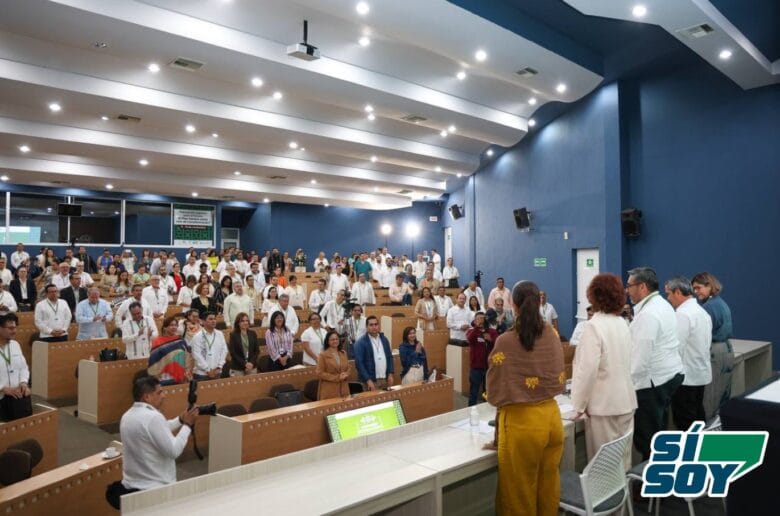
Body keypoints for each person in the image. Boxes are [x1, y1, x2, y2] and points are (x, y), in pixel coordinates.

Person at [486, 281, 565, 516]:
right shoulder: (552, 334)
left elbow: (495, 389)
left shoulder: (506, 341)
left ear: (514, 305)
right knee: (548, 487)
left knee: (518, 495)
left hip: (522, 424)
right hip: (552, 419)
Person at [570, 273, 637, 470]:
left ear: (594, 297)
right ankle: (625, 492)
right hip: (626, 401)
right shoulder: (623, 323)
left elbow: (586, 371)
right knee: (623, 462)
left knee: (603, 468)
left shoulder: (593, 327)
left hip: (604, 406)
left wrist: (579, 405)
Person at [626, 267, 684, 461]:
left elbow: (640, 359)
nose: (627, 290)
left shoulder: (648, 314)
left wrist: (626, 385)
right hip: (668, 376)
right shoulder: (661, 304)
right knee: (659, 430)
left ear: (642, 286)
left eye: (629, 285)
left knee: (647, 438)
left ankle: (649, 473)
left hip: (652, 383)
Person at [118, 376, 199, 494]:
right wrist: (187, 425)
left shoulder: (127, 416)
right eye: (159, 392)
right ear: (147, 397)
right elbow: (174, 451)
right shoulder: (153, 417)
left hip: (132, 485)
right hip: (156, 488)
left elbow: (157, 430)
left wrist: (180, 420)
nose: (164, 396)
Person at [665, 276, 712, 430]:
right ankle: (700, 444)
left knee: (685, 421)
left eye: (669, 294)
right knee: (698, 415)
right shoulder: (701, 312)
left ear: (678, 292)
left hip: (685, 378)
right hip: (699, 373)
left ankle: (689, 446)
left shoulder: (682, 314)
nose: (668, 298)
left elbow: (676, 347)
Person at [691, 271, 734, 421]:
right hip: (726, 350)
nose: (696, 292)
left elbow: (703, 335)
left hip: (715, 352)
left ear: (709, 286)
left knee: (710, 399)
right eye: (694, 289)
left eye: (698, 288)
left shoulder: (709, 307)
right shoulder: (720, 303)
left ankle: (708, 431)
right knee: (722, 395)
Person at [0, 313, 32, 421]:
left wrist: (23, 382)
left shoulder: (15, 345)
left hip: (16, 398)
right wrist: (3, 388)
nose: (14, 331)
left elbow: (23, 367)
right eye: (10, 328)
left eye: (15, 327)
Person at [354, 315, 395, 391]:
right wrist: (368, 380)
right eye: (371, 325)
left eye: (376, 324)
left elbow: (389, 358)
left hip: (384, 379)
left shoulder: (384, 339)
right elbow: (359, 364)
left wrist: (390, 374)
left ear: (379, 326)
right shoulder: (360, 342)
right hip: (370, 381)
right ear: (366, 327)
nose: (374, 327)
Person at [148, 317, 192, 385]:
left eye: (175, 325)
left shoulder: (180, 340)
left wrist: (187, 371)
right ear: (165, 328)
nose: (174, 327)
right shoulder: (157, 341)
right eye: (171, 325)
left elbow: (187, 357)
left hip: (181, 375)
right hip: (164, 377)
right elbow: (153, 361)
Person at [465, 312, 497, 406]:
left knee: (487, 391)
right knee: (473, 392)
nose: (480, 320)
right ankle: (471, 410)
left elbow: (498, 344)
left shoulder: (492, 332)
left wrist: (490, 340)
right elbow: (470, 339)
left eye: (482, 318)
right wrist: (476, 328)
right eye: (478, 318)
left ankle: (486, 409)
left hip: (489, 367)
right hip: (476, 367)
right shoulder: (471, 331)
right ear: (474, 321)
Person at [191, 312, 228, 380]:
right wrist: (207, 369)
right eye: (210, 319)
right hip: (202, 374)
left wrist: (219, 367)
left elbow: (224, 351)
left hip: (217, 372)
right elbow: (196, 355)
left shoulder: (220, 334)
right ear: (203, 321)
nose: (213, 321)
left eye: (214, 319)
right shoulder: (197, 336)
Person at [316, 330, 350, 400]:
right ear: (327, 342)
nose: (335, 341)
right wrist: (337, 377)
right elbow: (320, 373)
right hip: (330, 390)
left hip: (344, 389)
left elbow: (348, 367)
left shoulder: (343, 353)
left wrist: (346, 374)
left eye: (336, 339)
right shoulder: (323, 355)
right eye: (332, 339)